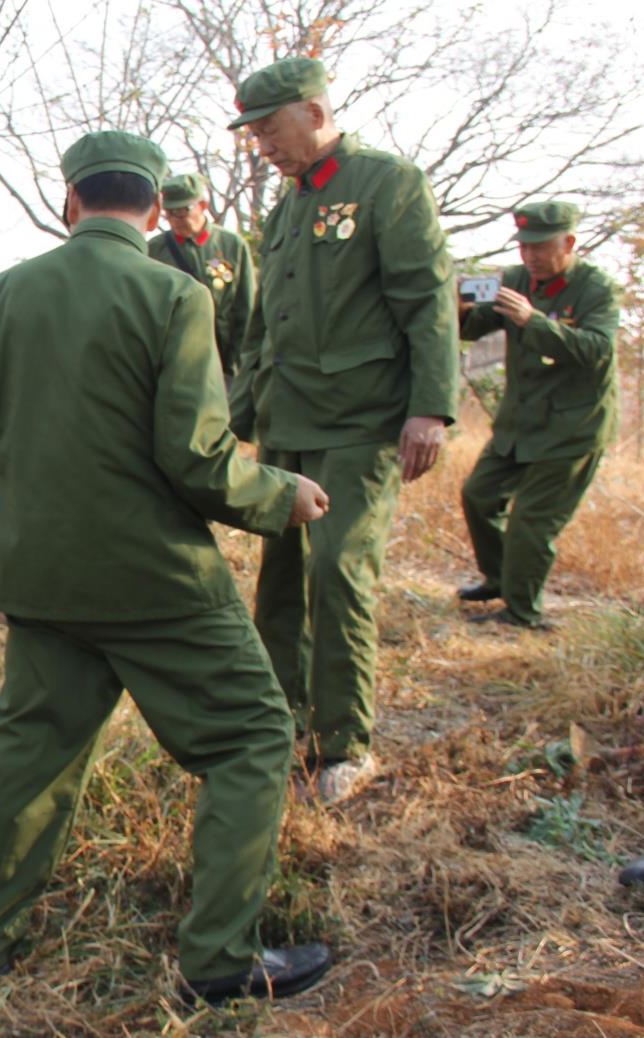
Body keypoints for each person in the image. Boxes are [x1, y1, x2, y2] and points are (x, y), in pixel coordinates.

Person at [0, 129, 334, 1005]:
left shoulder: (5, 293)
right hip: (156, 581)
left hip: (39, 574)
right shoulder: (175, 294)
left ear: (70, 201)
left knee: (32, 755)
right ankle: (220, 959)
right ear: (155, 210)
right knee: (252, 734)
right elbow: (197, 459)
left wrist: (41, 504)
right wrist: (281, 496)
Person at [226, 57, 459, 804]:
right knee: (279, 581)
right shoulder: (287, 207)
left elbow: (428, 299)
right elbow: (264, 326)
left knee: (339, 573)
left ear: (316, 113)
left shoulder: (388, 184)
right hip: (286, 419)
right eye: (254, 134)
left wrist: (430, 408)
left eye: (270, 129)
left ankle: (343, 745)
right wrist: (236, 414)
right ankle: (281, 723)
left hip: (360, 422)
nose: (263, 145)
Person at [456, 202, 620, 630]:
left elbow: (598, 349)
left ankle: (521, 611)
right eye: (524, 247)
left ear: (568, 243)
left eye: (540, 247)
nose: (530, 256)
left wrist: (533, 321)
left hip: (572, 429)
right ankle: (500, 579)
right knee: (479, 495)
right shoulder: (513, 280)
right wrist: (456, 306)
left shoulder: (595, 288)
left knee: (531, 521)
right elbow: (472, 325)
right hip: (520, 423)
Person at [147, 172, 256, 386]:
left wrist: (238, 367)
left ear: (202, 206)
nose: (176, 219)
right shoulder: (154, 250)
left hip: (224, 362)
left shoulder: (231, 245)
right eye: (170, 213)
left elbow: (246, 309)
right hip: (174, 362)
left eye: (183, 211)